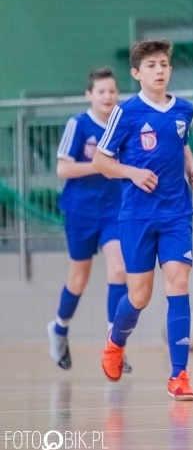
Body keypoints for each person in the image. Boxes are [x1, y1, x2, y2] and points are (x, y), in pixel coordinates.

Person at [92, 39, 193, 401]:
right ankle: (115, 342)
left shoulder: (185, 110)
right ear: (136, 73)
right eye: (152, 65)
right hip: (138, 216)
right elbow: (100, 161)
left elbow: (182, 145)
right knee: (139, 295)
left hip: (176, 214)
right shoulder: (126, 114)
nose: (159, 70)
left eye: (164, 64)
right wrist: (132, 173)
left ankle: (180, 375)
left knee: (178, 283)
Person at [47, 68, 131, 373]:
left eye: (112, 91)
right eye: (101, 91)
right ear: (89, 95)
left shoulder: (123, 125)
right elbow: (62, 169)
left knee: (120, 269)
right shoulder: (78, 125)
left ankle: (114, 344)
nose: (108, 96)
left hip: (114, 210)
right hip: (81, 210)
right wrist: (100, 164)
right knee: (78, 278)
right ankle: (59, 329)